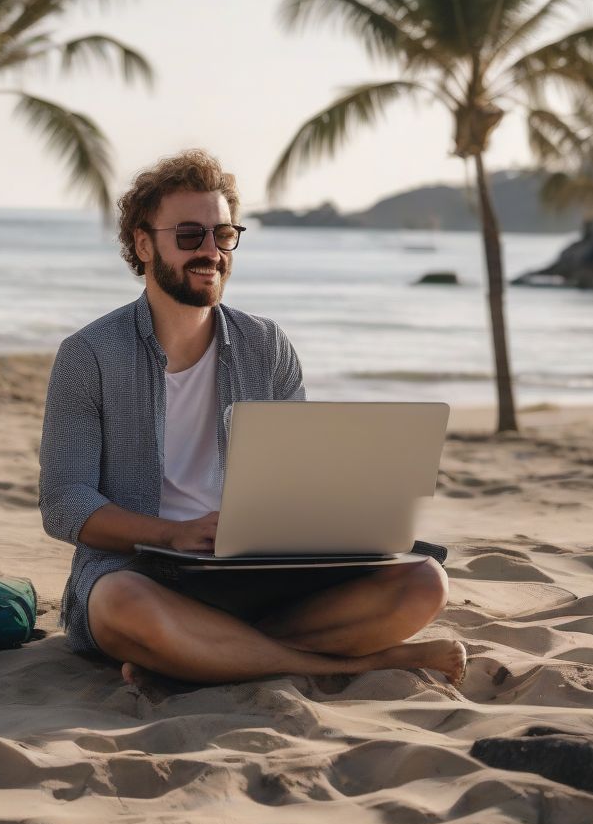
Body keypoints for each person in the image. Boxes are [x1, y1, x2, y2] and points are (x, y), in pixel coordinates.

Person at [38, 150, 466, 687]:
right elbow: (64, 504)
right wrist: (172, 535)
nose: (210, 252)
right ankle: (355, 662)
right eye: (190, 235)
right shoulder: (90, 355)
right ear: (143, 243)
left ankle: (192, 659)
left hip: (259, 574)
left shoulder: (266, 346)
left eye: (222, 234)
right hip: (143, 572)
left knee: (424, 582)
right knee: (120, 604)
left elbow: (296, 479)